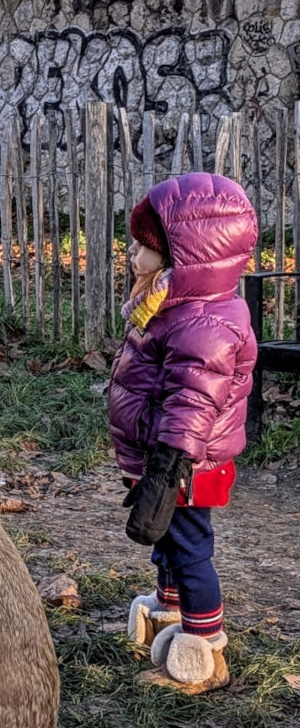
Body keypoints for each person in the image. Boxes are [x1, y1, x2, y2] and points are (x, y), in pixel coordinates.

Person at [108, 172, 257, 694]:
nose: (131, 254)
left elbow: (193, 402)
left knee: (190, 546)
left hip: (186, 463)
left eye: (144, 247)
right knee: (167, 539)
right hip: (165, 458)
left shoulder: (206, 322)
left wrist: (167, 469)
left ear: (186, 257)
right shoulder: (174, 305)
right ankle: (168, 606)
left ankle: (205, 640)